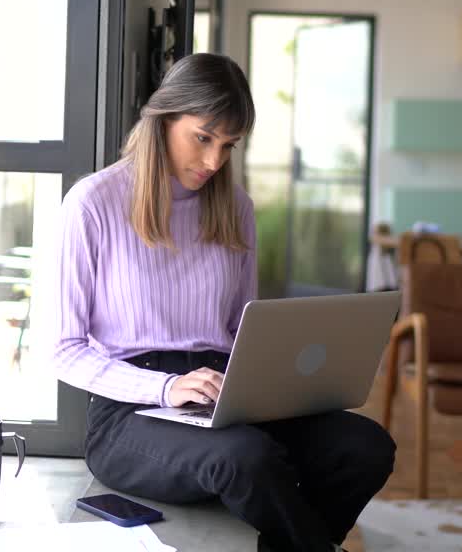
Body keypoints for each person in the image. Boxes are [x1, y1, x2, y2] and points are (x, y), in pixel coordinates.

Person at [50, 53, 395, 552]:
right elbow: (65, 350)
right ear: (165, 117)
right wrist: (168, 388)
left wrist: (280, 384)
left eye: (228, 145)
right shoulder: (93, 203)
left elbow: (241, 329)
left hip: (222, 395)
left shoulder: (236, 208)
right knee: (245, 457)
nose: (214, 161)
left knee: (366, 447)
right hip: (131, 410)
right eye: (203, 137)